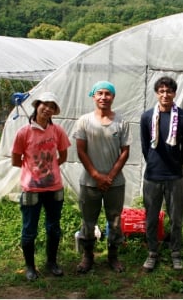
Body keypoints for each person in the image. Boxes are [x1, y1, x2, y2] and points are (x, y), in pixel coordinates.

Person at [72, 80, 132, 273]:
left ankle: (113, 257)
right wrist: (97, 175)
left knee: (114, 220)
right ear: (94, 96)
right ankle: (87, 257)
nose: (104, 97)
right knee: (88, 221)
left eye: (108, 93)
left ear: (113, 97)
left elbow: (125, 152)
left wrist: (110, 176)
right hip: (90, 182)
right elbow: (81, 151)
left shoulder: (121, 122)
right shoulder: (84, 121)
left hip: (115, 183)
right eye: (100, 93)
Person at [11, 91, 71, 281]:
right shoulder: (24, 132)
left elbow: (63, 156)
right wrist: (33, 171)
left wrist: (49, 170)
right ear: (37, 106)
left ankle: (52, 262)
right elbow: (15, 160)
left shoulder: (57, 131)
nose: (47, 108)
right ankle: (30, 267)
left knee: (54, 227)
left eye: (52, 106)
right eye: (44, 104)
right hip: (31, 189)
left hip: (54, 188)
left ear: (54, 111)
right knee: (29, 229)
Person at [139, 76, 183, 272]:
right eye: (161, 91)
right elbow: (145, 146)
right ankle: (152, 252)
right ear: (156, 94)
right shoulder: (146, 117)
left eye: (169, 91)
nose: (165, 94)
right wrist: (154, 163)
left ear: (174, 94)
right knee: (151, 217)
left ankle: (175, 252)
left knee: (176, 217)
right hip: (152, 176)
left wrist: (176, 164)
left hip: (174, 176)